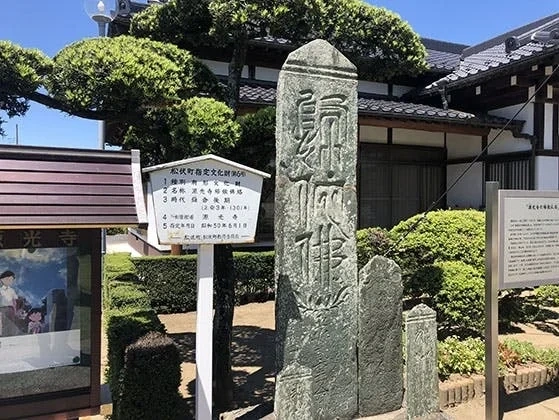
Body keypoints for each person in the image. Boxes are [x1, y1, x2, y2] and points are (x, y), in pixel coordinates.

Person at [0, 270, 18, 336]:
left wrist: (15, 309)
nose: (10, 281)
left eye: (12, 280)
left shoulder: (12, 290)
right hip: (2, 308)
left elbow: (14, 300)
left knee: (12, 322)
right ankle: (5, 336)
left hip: (11, 308)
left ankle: (11, 335)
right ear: (2, 279)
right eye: (9, 279)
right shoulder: (0, 290)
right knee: (4, 322)